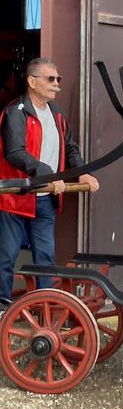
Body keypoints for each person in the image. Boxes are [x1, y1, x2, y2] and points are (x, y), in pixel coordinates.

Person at [0, 57, 99, 315]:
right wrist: (47, 174)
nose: (57, 84)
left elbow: (71, 148)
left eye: (59, 80)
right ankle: (2, 307)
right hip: (15, 199)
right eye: (50, 79)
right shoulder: (16, 112)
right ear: (32, 81)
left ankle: (44, 309)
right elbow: (15, 153)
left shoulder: (55, 113)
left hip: (44, 199)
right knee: (6, 257)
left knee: (45, 258)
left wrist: (83, 174)